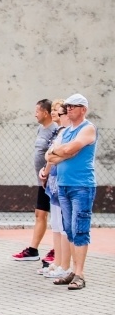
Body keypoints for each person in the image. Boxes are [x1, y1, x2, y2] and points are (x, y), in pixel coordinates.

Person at [45, 93, 98, 290]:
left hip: (82, 186)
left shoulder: (88, 128)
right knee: (69, 229)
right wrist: (63, 153)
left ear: (83, 109)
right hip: (63, 185)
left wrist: (62, 152)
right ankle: (73, 271)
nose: (68, 109)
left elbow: (68, 150)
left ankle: (80, 274)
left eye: (73, 106)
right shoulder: (66, 131)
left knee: (80, 229)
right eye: (67, 106)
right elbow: (49, 156)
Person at [12, 99, 56, 261]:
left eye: (37, 111)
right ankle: (33, 250)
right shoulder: (40, 129)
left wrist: (47, 172)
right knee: (39, 214)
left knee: (57, 217)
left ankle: (57, 250)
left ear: (45, 112)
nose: (35, 114)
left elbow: (54, 155)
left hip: (52, 180)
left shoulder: (56, 130)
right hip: (42, 182)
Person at [37, 100, 72, 279]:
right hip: (53, 181)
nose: (55, 113)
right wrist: (46, 168)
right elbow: (49, 155)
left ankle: (64, 265)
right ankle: (58, 262)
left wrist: (48, 165)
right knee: (56, 224)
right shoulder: (58, 131)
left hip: (61, 181)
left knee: (64, 225)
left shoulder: (67, 132)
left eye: (58, 111)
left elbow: (54, 155)